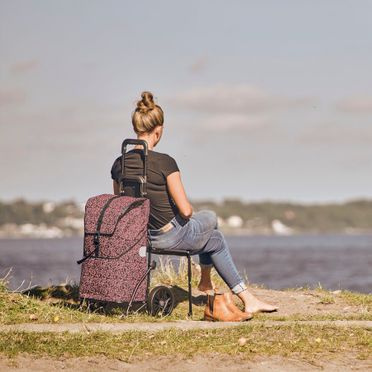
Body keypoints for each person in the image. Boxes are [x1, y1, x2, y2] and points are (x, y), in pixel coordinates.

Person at [111, 91, 278, 319]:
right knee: (211, 222)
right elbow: (187, 211)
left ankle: (236, 295)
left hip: (140, 236)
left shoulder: (119, 164)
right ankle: (219, 286)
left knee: (214, 238)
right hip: (169, 236)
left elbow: (122, 204)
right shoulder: (165, 162)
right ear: (158, 130)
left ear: (135, 128)